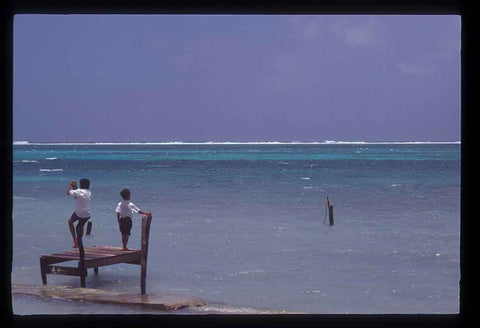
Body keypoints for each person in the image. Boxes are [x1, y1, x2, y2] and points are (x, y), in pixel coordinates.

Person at [67, 178, 91, 248]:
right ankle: (78, 242)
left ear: (81, 185)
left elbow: (68, 192)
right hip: (87, 214)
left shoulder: (79, 191)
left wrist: (70, 185)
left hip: (79, 213)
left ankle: (75, 239)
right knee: (80, 226)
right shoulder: (88, 192)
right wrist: (75, 187)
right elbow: (77, 196)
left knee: (70, 222)